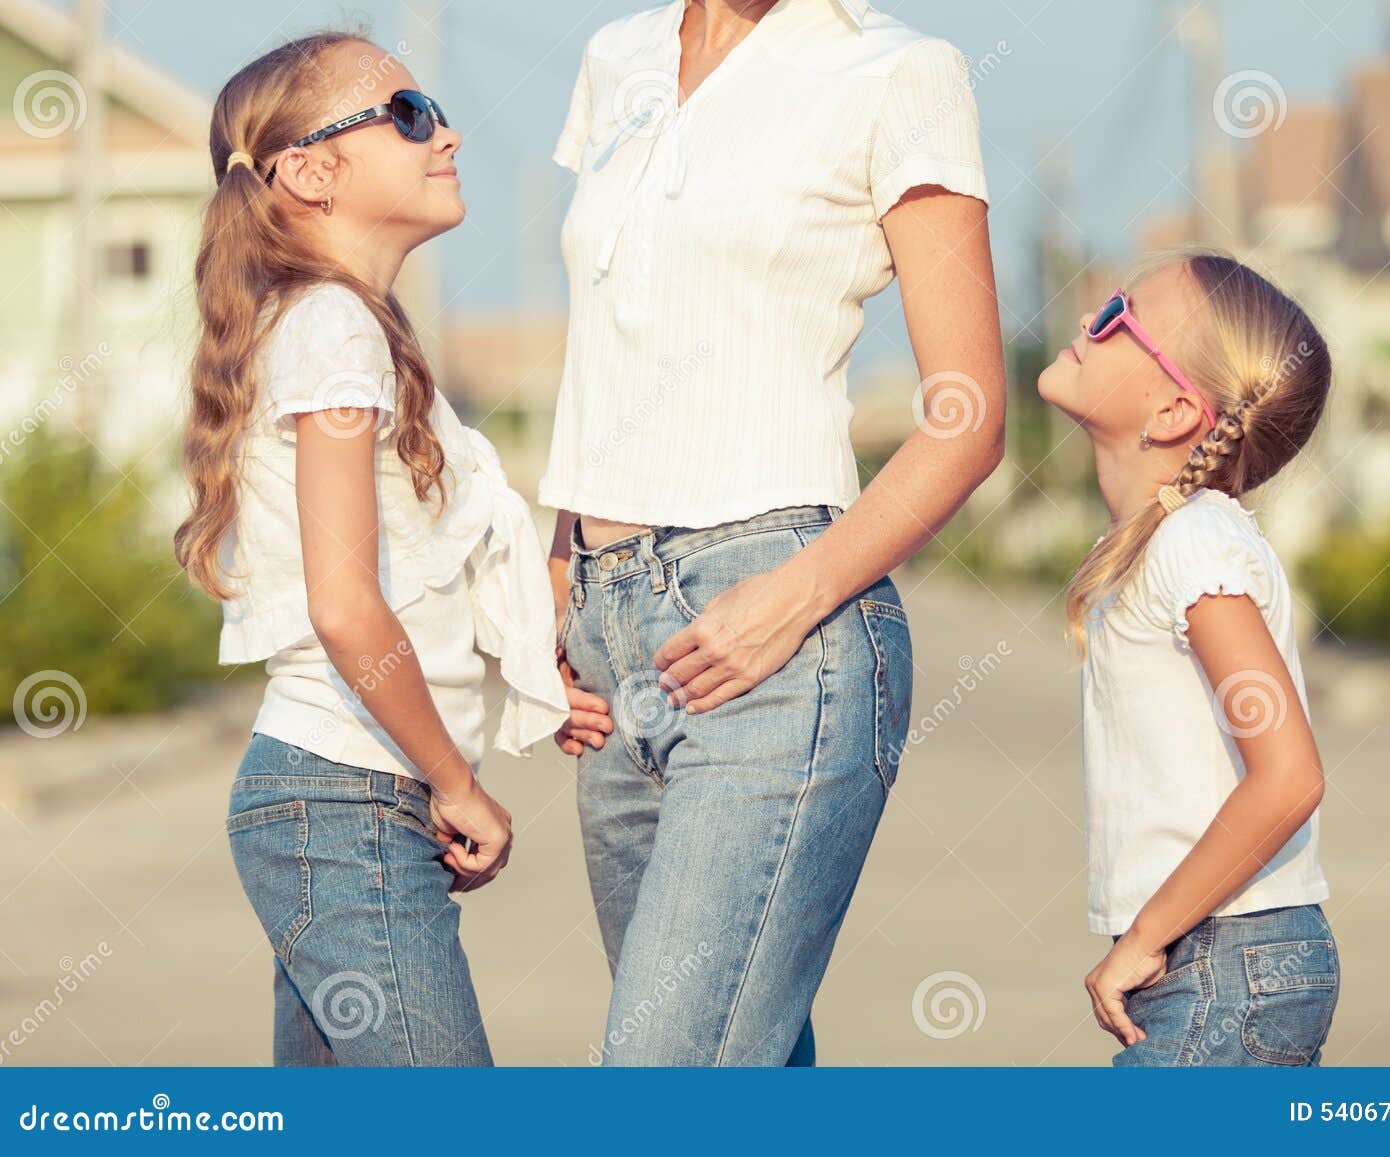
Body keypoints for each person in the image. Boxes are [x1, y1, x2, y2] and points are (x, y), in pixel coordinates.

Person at [544, 0, 1005, 1065]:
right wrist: (558, 580)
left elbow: (967, 414)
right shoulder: (617, 57)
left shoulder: (897, 71)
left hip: (777, 625)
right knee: (744, 1066)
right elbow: (609, 341)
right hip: (611, 637)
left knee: (664, 1074)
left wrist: (789, 599)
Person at [174, 32, 577, 1066]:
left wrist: (540, 680)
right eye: (406, 113)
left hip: (338, 800)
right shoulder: (332, 329)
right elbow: (346, 606)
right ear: (309, 172)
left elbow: (426, 575)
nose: (444, 131)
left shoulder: (345, 326)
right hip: (344, 799)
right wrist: (453, 780)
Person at [1037, 249, 1339, 1066]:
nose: (1084, 322)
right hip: (1222, 960)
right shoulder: (1164, 542)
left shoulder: (1195, 540)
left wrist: (1144, 935)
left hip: (1223, 960)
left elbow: (1289, 775)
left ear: (1173, 411)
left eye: (1115, 317)